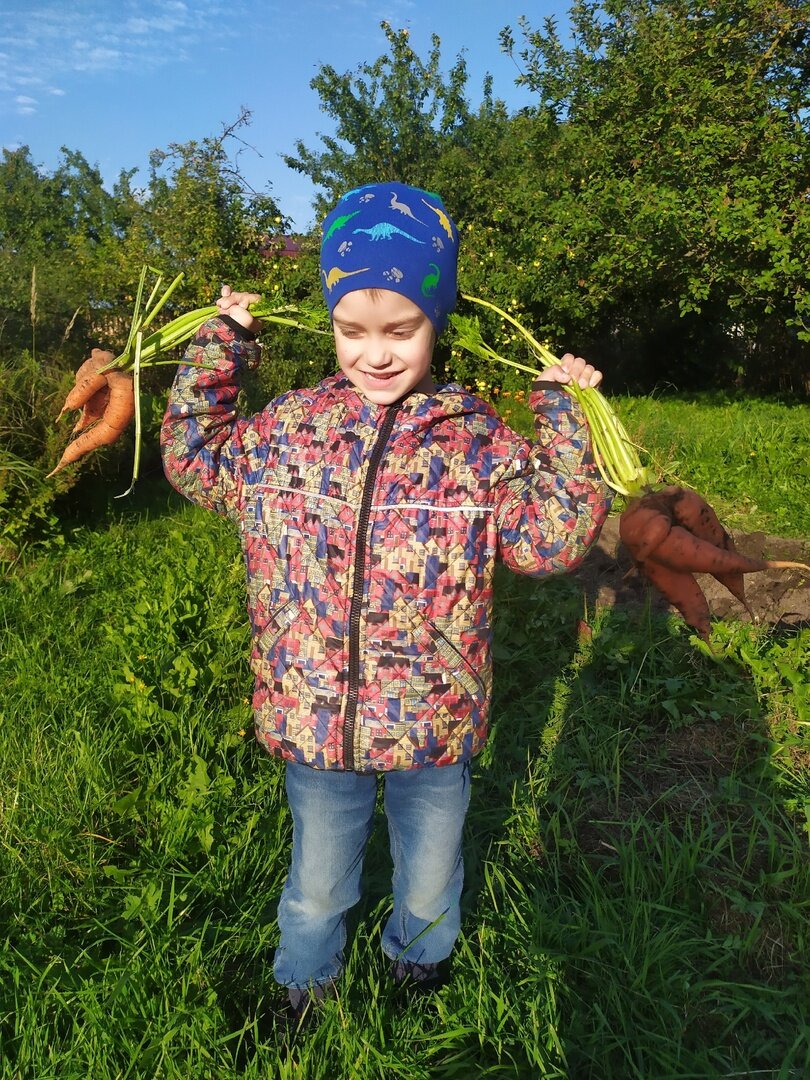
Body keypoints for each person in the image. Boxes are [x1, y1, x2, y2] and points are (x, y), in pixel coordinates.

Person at [160, 181, 611, 1020]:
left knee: (431, 871)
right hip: (314, 713)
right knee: (317, 879)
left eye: (400, 330)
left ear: (437, 320)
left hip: (434, 720)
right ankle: (304, 984)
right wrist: (222, 348)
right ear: (330, 322)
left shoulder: (477, 443)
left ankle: (419, 971)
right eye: (352, 330)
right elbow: (195, 458)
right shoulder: (290, 429)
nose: (375, 353)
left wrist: (563, 414)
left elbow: (547, 540)